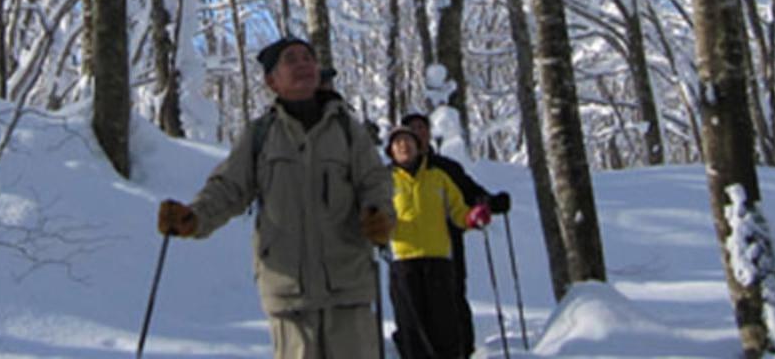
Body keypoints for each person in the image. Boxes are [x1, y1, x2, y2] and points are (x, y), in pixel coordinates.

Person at [157, 37, 395, 358]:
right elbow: (229, 188)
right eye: (291, 59)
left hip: (348, 285)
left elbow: (375, 181)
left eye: (308, 58)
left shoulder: (348, 130)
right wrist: (195, 217)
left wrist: (378, 213)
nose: (303, 64)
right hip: (289, 291)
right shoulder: (260, 135)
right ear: (272, 81)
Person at [401, 112, 511, 357]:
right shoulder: (392, 173)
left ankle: (463, 351)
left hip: (447, 247)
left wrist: (492, 203)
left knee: (452, 299)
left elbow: (471, 195)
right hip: (408, 253)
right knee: (413, 308)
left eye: (422, 128)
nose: (418, 133)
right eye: (412, 129)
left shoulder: (446, 168)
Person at [385, 125, 491, 358]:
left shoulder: (438, 177)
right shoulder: (385, 180)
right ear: (391, 151)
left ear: (418, 147)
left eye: (408, 142)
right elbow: (373, 213)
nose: (404, 146)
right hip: (403, 263)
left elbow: (458, 212)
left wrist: (472, 217)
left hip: (439, 262)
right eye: (398, 143)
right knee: (412, 328)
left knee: (445, 327)